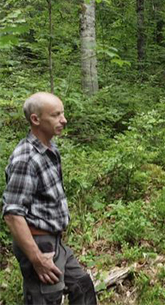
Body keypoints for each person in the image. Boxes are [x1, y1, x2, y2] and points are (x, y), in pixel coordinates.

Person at [2, 92, 97, 305]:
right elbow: (12, 214)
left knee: (82, 285)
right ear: (36, 119)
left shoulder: (50, 149)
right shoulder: (26, 158)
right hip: (39, 243)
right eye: (56, 115)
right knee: (46, 298)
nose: (64, 120)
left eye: (62, 113)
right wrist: (36, 259)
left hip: (54, 241)